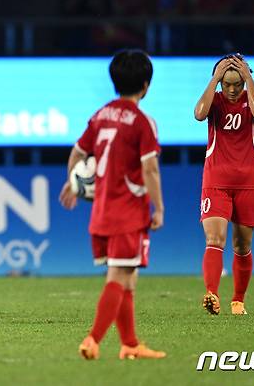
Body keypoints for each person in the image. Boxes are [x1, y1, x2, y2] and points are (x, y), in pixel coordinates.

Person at [59, 49, 166, 360]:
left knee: (128, 276)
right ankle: (93, 339)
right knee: (119, 277)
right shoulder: (143, 122)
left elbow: (78, 153)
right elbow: (150, 168)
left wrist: (73, 181)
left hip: (102, 211)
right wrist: (158, 208)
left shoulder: (101, 114)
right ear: (146, 85)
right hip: (128, 212)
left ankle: (130, 344)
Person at [194, 53, 254, 316]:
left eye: (238, 84)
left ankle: (238, 301)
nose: (233, 89)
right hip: (216, 181)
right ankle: (212, 293)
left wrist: (248, 76)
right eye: (228, 84)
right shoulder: (214, 101)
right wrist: (214, 80)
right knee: (214, 238)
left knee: (242, 246)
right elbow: (198, 114)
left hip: (248, 182)